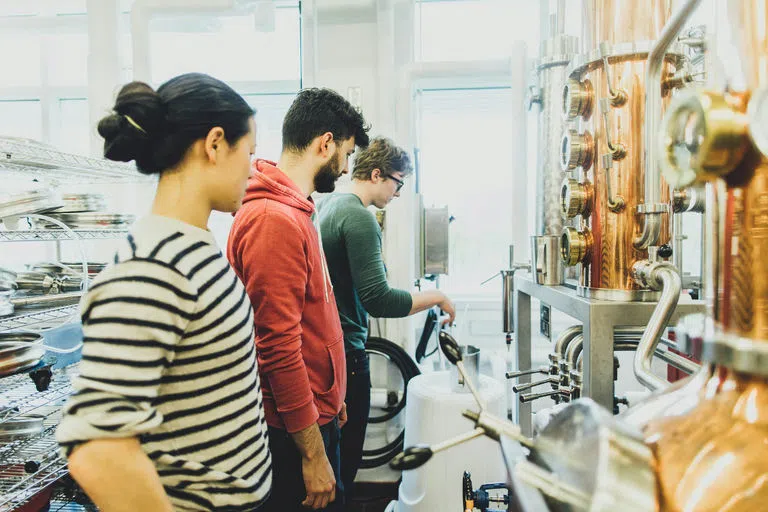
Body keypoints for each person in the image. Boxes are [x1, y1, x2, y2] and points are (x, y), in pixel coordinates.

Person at [56, 73, 272, 512]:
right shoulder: (153, 266)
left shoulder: (190, 247)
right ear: (214, 144)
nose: (253, 169)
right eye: (249, 152)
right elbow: (97, 449)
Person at [227, 88, 370, 512]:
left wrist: (332, 393)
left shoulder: (296, 210)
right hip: (289, 436)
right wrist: (311, 450)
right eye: (344, 154)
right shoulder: (274, 221)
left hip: (314, 413)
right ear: (324, 144)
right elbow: (277, 347)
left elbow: (312, 319)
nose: (344, 169)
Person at [317, 136, 456, 496]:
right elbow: (379, 300)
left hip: (330, 352)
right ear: (377, 174)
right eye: (398, 182)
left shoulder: (331, 205)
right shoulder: (360, 217)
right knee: (343, 467)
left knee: (333, 467)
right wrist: (438, 296)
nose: (398, 193)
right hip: (348, 356)